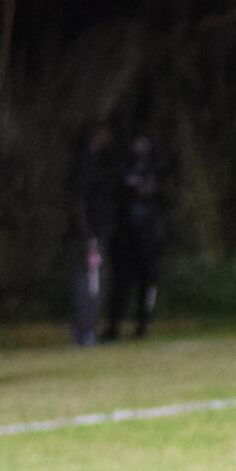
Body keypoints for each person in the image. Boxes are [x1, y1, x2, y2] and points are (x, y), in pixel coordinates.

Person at [107, 133, 164, 340]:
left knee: (146, 282)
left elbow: (152, 190)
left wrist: (141, 188)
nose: (139, 146)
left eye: (143, 141)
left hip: (147, 234)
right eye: (136, 141)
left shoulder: (155, 166)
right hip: (125, 234)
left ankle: (142, 325)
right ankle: (114, 326)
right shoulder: (123, 166)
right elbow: (121, 190)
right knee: (121, 283)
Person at [64, 122, 116, 347]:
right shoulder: (85, 163)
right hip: (88, 235)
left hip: (93, 232)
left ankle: (86, 331)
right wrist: (87, 236)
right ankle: (84, 333)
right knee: (89, 284)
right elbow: (78, 202)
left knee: (90, 283)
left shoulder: (95, 161)